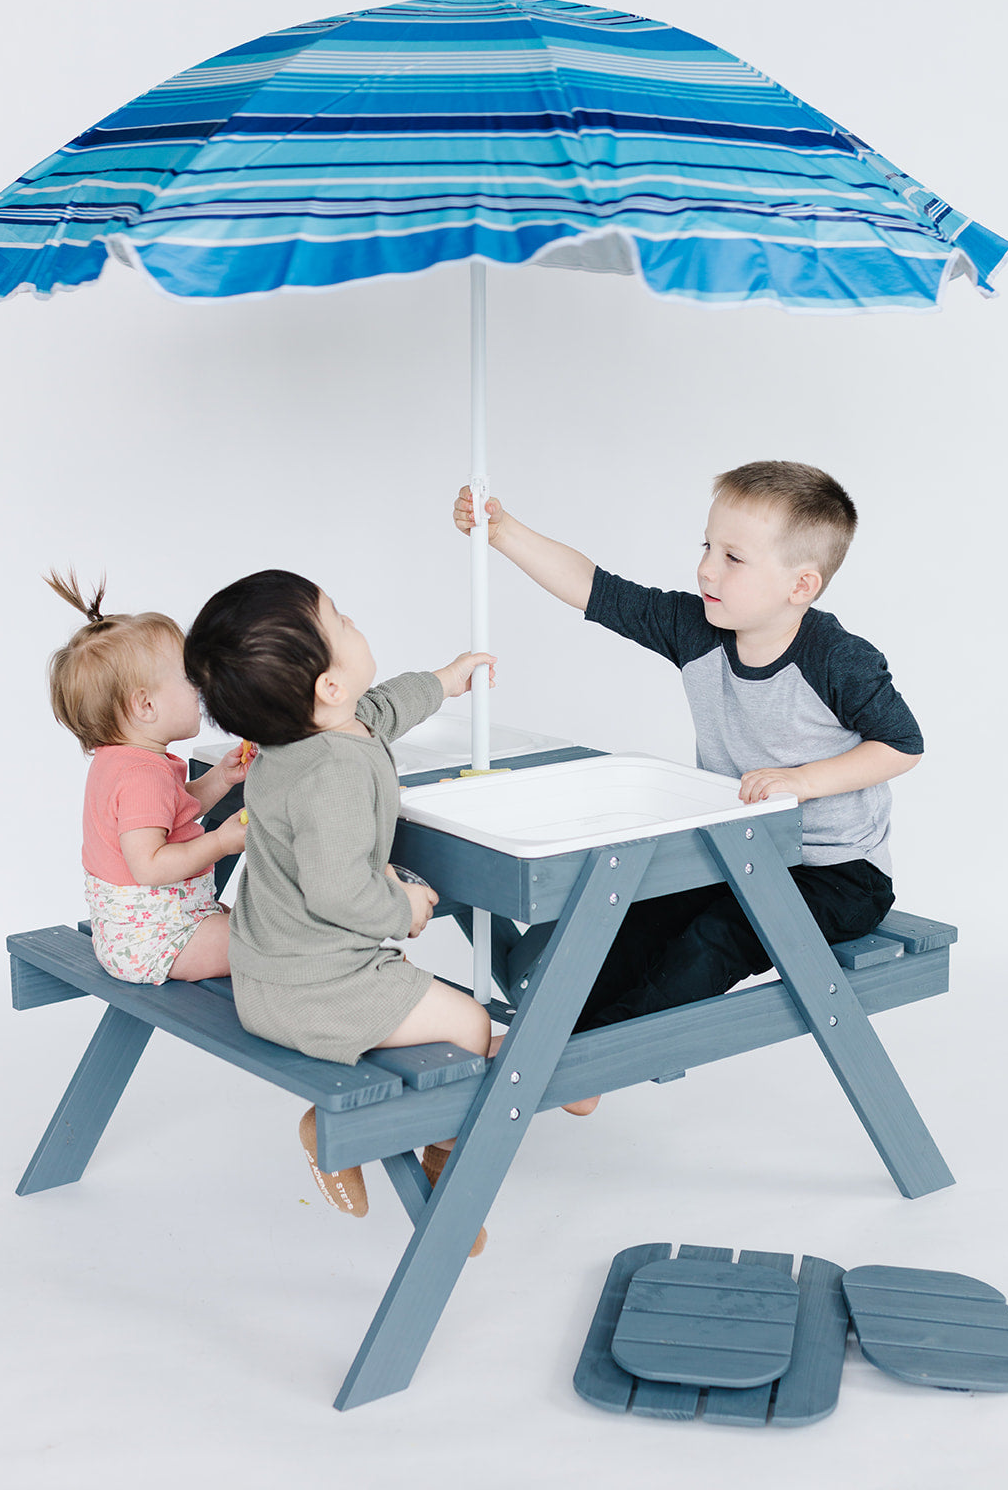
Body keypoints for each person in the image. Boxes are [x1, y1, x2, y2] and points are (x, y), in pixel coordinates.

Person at [453, 461, 922, 1070]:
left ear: (800, 586)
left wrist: (804, 782)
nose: (706, 567)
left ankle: (580, 1060)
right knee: (634, 913)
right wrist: (503, 531)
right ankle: (555, 1042)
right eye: (708, 546)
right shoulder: (698, 628)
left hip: (836, 874)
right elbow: (597, 589)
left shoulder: (839, 659)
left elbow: (903, 745)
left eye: (734, 557)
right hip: (734, 850)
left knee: (713, 938)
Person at [183, 569, 495, 1238]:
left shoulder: (295, 740)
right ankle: (399, 1150)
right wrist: (402, 907)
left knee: (450, 1025)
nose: (354, 623)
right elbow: (336, 889)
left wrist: (442, 680)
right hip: (316, 991)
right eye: (342, 620)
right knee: (467, 1025)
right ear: (328, 686)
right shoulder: (333, 776)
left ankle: (374, 1132)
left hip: (267, 976)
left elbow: (378, 710)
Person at [46, 570, 248, 986]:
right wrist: (221, 842)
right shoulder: (141, 775)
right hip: (161, 940)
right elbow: (151, 866)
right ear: (145, 705)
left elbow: (171, 814)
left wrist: (221, 779)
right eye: (191, 678)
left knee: (261, 927)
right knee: (274, 941)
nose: (203, 685)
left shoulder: (125, 761)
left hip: (151, 931)